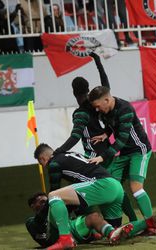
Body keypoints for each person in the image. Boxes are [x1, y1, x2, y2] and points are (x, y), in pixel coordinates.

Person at [54, 52, 138, 224]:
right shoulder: (95, 105)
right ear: (87, 90)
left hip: (95, 157)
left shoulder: (81, 113)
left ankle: (85, 222)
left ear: (74, 93)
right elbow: (105, 84)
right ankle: (134, 218)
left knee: (83, 188)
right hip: (108, 152)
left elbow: (75, 136)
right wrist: (98, 62)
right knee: (117, 188)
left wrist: (59, 151)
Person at [34, 143, 156, 249]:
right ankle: (148, 222)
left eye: (42, 163)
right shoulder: (69, 155)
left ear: (43, 158)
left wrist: (40, 218)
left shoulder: (54, 163)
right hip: (115, 186)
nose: (45, 166)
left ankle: (65, 239)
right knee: (116, 232)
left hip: (101, 185)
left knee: (53, 196)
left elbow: (55, 190)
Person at [87, 86, 156, 226]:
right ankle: (133, 221)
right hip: (125, 153)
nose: (97, 110)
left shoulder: (125, 109)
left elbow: (121, 139)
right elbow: (112, 125)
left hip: (139, 150)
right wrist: (106, 133)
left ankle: (152, 223)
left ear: (107, 100)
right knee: (115, 186)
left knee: (135, 188)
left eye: (98, 106)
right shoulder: (106, 110)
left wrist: (102, 157)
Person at [25, 192, 124, 248]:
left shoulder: (56, 210)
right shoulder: (31, 222)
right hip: (56, 237)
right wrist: (49, 204)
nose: (45, 203)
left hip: (71, 229)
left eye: (46, 202)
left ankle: (112, 233)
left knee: (93, 216)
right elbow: (40, 219)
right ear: (33, 206)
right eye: (41, 202)